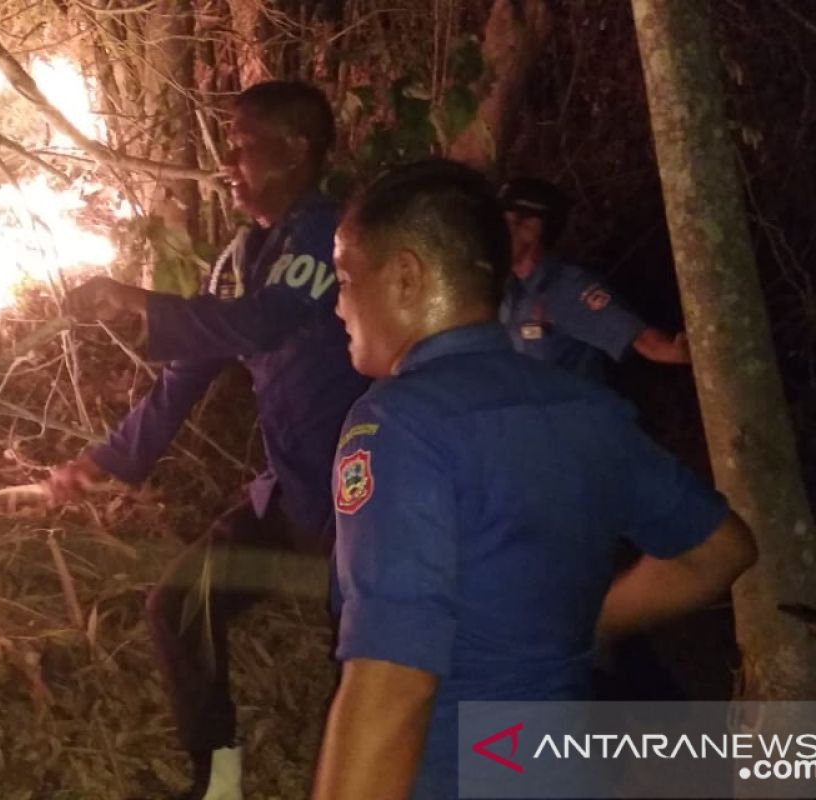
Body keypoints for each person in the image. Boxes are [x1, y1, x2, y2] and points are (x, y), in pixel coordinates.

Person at [310, 161, 757, 800]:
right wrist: (583, 622)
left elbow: (392, 685)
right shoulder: (587, 409)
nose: (338, 304)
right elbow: (720, 551)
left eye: (348, 279)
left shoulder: (398, 423)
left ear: (406, 277)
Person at [50, 81, 370, 800]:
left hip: (361, 494)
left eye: (243, 144)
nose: (229, 161)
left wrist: (133, 297)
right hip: (290, 490)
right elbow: (191, 366)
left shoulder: (329, 232)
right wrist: (108, 457)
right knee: (179, 603)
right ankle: (218, 780)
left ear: (294, 148)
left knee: (366, 658)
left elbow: (262, 322)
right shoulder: (243, 251)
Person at [498, 177, 690, 381]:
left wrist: (678, 351)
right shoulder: (506, 290)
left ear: (531, 229)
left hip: (577, 410)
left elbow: (643, 340)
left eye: (502, 225)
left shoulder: (568, 288)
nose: (492, 236)